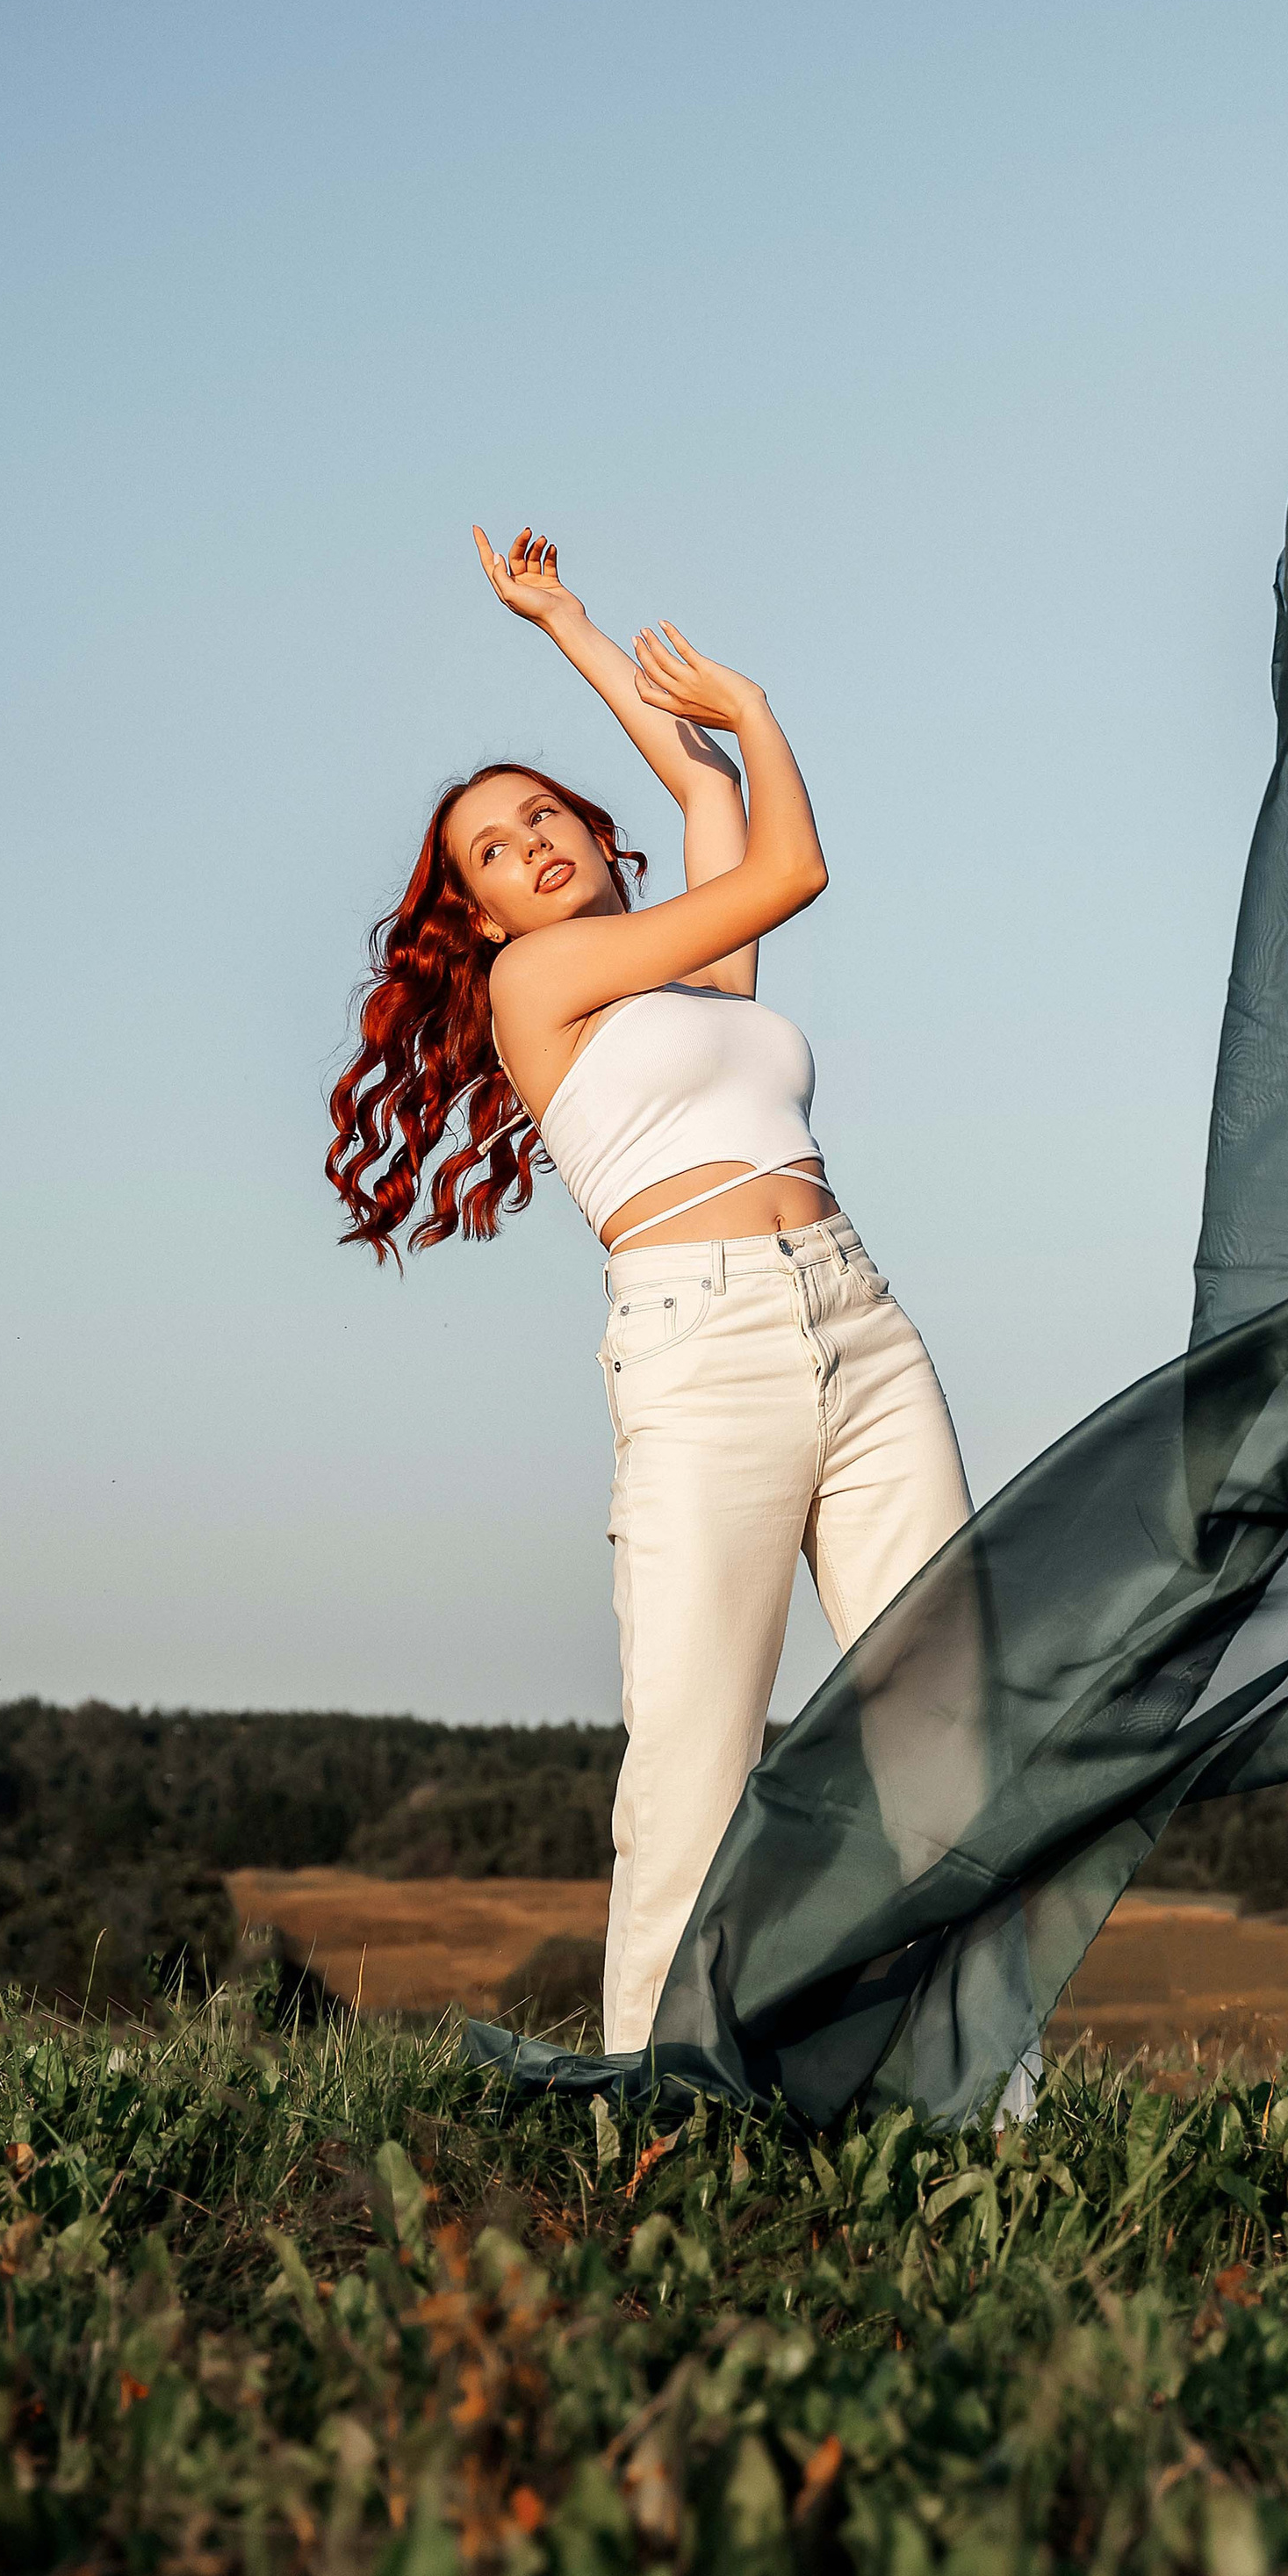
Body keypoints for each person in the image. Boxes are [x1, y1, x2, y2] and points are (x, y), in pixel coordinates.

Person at [326, 528, 978, 2062]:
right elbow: (784, 857)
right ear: (480, 915)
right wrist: (750, 712)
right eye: (494, 846)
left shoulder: (706, 991)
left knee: (947, 1724)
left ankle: (974, 2098)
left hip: (861, 1322)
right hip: (704, 1354)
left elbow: (707, 808)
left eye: (544, 812)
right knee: (692, 1762)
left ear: (594, 837)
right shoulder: (535, 993)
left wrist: (565, 620)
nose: (531, 839)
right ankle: (649, 2104)